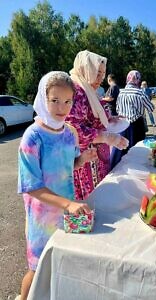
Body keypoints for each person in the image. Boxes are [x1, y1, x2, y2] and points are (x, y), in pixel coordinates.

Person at [17, 71, 98, 300]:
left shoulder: (68, 132)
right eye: (55, 100)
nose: (62, 108)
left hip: (66, 211)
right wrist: (69, 204)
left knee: (61, 261)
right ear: (43, 98)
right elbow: (32, 185)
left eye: (67, 101)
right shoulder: (32, 137)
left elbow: (67, 165)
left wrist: (82, 159)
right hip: (42, 217)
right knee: (37, 269)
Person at [66, 50, 128, 200]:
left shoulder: (88, 89)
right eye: (97, 73)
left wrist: (110, 118)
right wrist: (106, 137)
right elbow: (74, 129)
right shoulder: (76, 91)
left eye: (103, 73)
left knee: (102, 199)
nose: (100, 78)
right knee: (94, 202)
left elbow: (94, 115)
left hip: (97, 156)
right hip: (87, 160)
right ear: (85, 69)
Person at [111, 70, 154, 168]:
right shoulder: (140, 93)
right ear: (138, 80)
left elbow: (117, 109)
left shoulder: (121, 92)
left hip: (122, 126)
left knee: (122, 153)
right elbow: (151, 108)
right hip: (136, 126)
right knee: (137, 154)